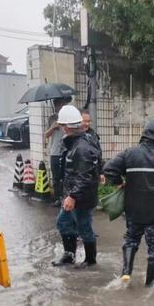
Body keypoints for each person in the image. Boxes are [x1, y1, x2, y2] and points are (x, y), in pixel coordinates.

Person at [103, 120, 154, 286]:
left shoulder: (129, 154)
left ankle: (126, 273)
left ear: (144, 135)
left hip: (134, 210)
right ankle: (150, 284)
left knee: (131, 239)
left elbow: (108, 169)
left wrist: (120, 182)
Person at [52, 105, 101, 269]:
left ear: (66, 126)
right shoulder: (77, 141)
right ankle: (69, 255)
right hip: (73, 193)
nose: (61, 128)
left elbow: (84, 176)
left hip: (80, 197)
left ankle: (90, 260)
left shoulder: (81, 146)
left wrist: (73, 196)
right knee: (64, 222)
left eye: (61, 126)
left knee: (84, 226)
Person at [45, 97, 72, 207]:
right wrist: (52, 127)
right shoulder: (52, 118)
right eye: (57, 105)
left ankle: (67, 197)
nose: (59, 107)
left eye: (61, 104)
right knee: (56, 177)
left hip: (67, 151)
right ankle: (57, 198)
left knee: (67, 176)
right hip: (55, 152)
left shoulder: (69, 118)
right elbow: (46, 135)